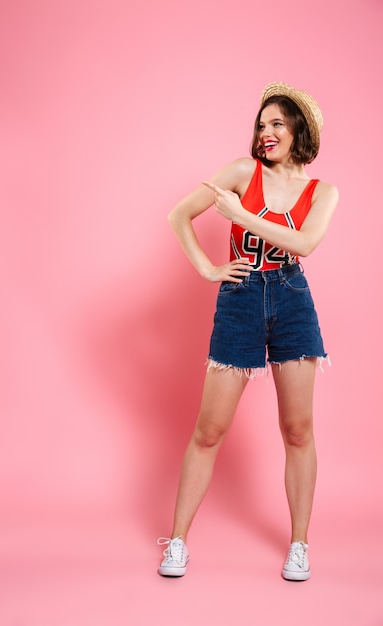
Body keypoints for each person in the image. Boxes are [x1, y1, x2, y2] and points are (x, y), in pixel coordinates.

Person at [157, 82, 338, 581]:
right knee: (209, 430)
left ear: (300, 128)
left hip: (293, 300)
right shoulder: (242, 172)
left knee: (298, 430)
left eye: (277, 123)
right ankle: (177, 542)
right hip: (240, 300)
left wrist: (241, 218)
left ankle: (299, 545)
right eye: (261, 124)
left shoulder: (323, 191)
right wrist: (209, 269)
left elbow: (304, 242)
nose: (266, 133)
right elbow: (179, 215)